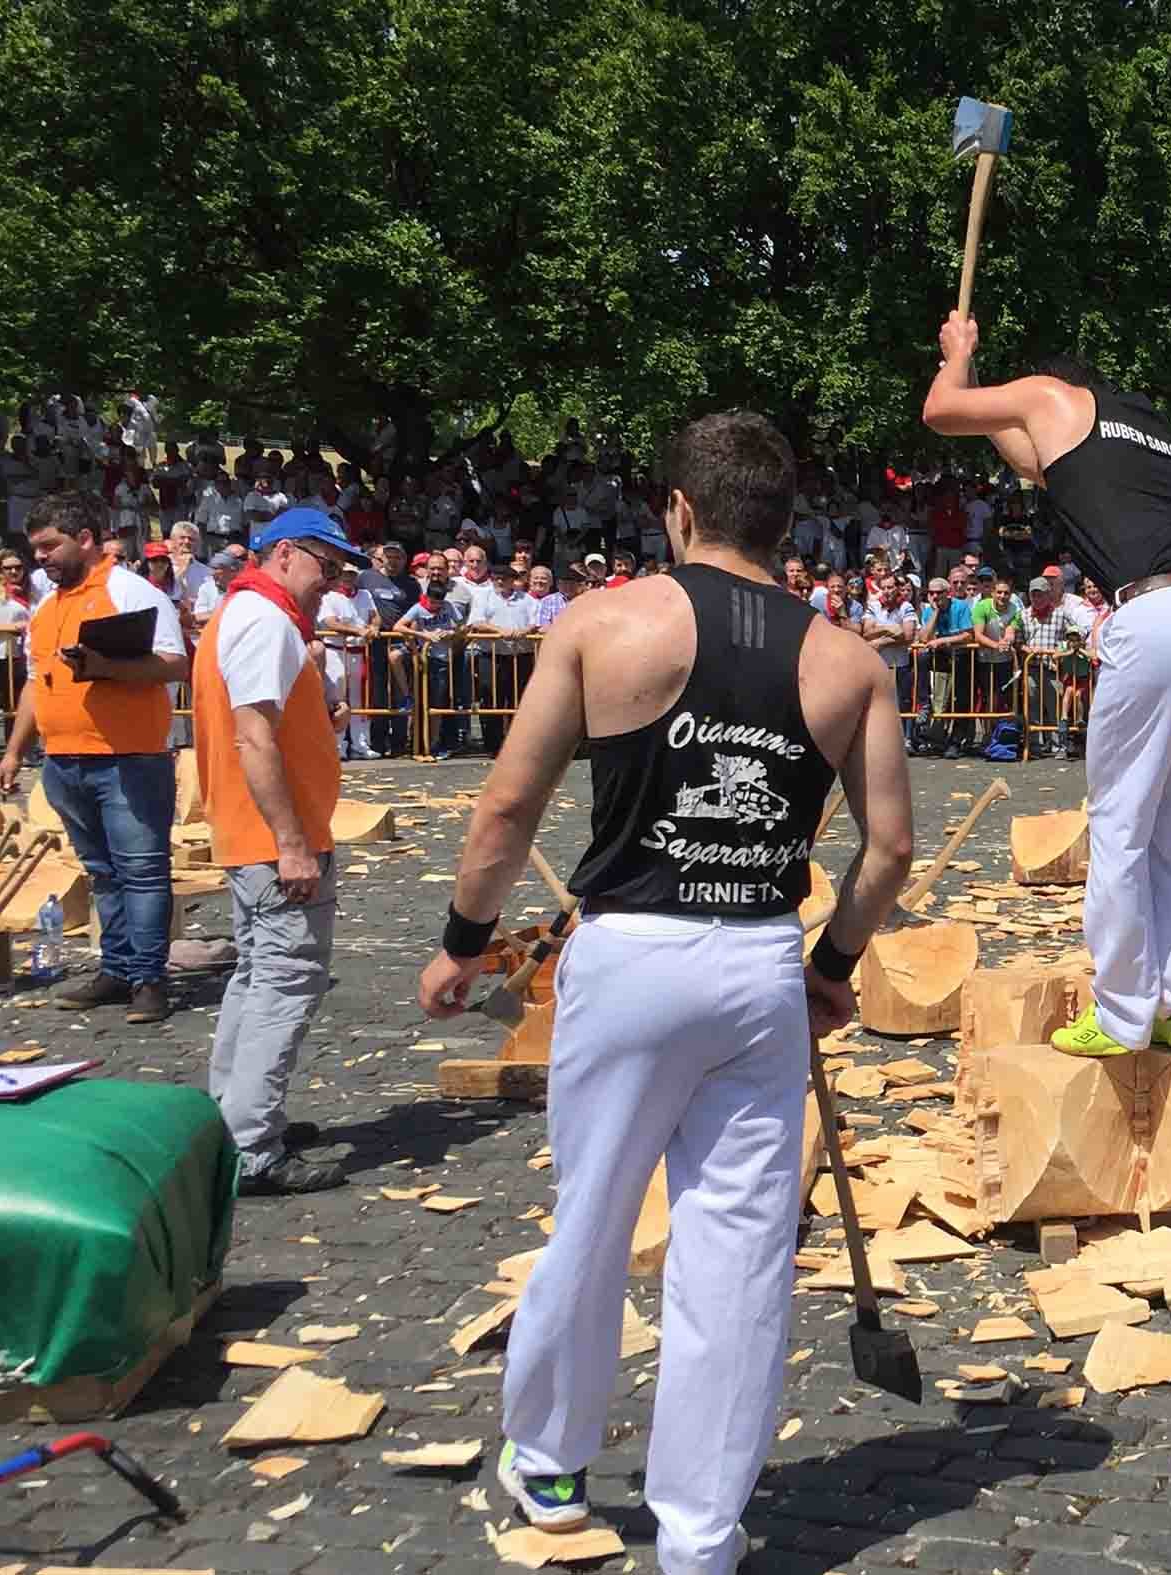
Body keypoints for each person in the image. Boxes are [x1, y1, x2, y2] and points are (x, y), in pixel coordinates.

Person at [417, 411, 911, 1574]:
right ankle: (701, 1534)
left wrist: (462, 943)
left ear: (677, 511)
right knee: (736, 1257)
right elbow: (887, 849)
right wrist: (830, 969)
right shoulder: (849, 662)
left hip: (631, 951)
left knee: (591, 1218)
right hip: (754, 961)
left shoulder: (605, 622)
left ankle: (548, 1464)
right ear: (785, 527)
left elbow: (506, 808)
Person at [922, 312, 1171, 1058]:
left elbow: (941, 410)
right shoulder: (1148, 427)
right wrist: (985, 393)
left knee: (1117, 826)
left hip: (1159, 612)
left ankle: (1119, 1013)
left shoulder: (1050, 393)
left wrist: (960, 359)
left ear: (1052, 379)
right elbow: (1029, 461)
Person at [188, 508, 362, 1194]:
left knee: (258, 976)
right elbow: (253, 739)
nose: (334, 581)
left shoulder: (249, 615)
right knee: (285, 981)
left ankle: (234, 1120)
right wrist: (292, 842)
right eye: (327, 565)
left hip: (251, 834)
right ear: (285, 553)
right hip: (274, 841)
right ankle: (253, 1146)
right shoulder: (263, 620)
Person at [0, 494, 189, 1023]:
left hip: (128, 759)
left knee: (142, 872)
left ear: (84, 539)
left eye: (50, 546)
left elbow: (175, 663)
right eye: (35, 549)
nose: (41, 557)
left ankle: (150, 978)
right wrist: (14, 751)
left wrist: (105, 666)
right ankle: (118, 968)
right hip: (63, 760)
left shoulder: (129, 591)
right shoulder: (45, 608)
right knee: (103, 873)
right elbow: (36, 685)